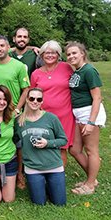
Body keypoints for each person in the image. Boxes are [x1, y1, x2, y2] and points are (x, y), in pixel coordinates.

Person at [14, 87, 67, 205]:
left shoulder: (51, 118)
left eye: (39, 99)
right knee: (39, 203)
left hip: (53, 166)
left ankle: (50, 185)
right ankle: (43, 185)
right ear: (27, 99)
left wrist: (47, 143)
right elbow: (13, 140)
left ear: (42, 101)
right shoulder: (19, 121)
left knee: (60, 203)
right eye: (32, 98)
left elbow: (63, 140)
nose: (35, 102)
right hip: (33, 168)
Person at [66, 41, 107, 195]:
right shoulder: (77, 71)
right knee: (75, 150)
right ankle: (92, 178)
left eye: (74, 53)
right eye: (68, 54)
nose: (71, 56)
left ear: (82, 53)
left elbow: (97, 98)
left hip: (89, 113)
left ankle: (90, 185)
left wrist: (91, 122)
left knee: (91, 150)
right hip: (78, 114)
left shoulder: (89, 70)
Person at [31, 40, 75, 166]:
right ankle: (45, 173)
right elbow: (32, 94)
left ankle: (59, 176)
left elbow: (77, 85)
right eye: (46, 53)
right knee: (44, 144)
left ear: (58, 55)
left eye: (53, 53)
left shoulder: (66, 67)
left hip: (64, 115)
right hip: (44, 116)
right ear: (41, 55)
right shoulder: (36, 74)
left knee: (61, 146)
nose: (50, 55)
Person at [0, 35, 30, 113]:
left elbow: (26, 90)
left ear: (8, 47)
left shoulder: (19, 66)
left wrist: (17, 109)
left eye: (2, 46)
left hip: (12, 111)